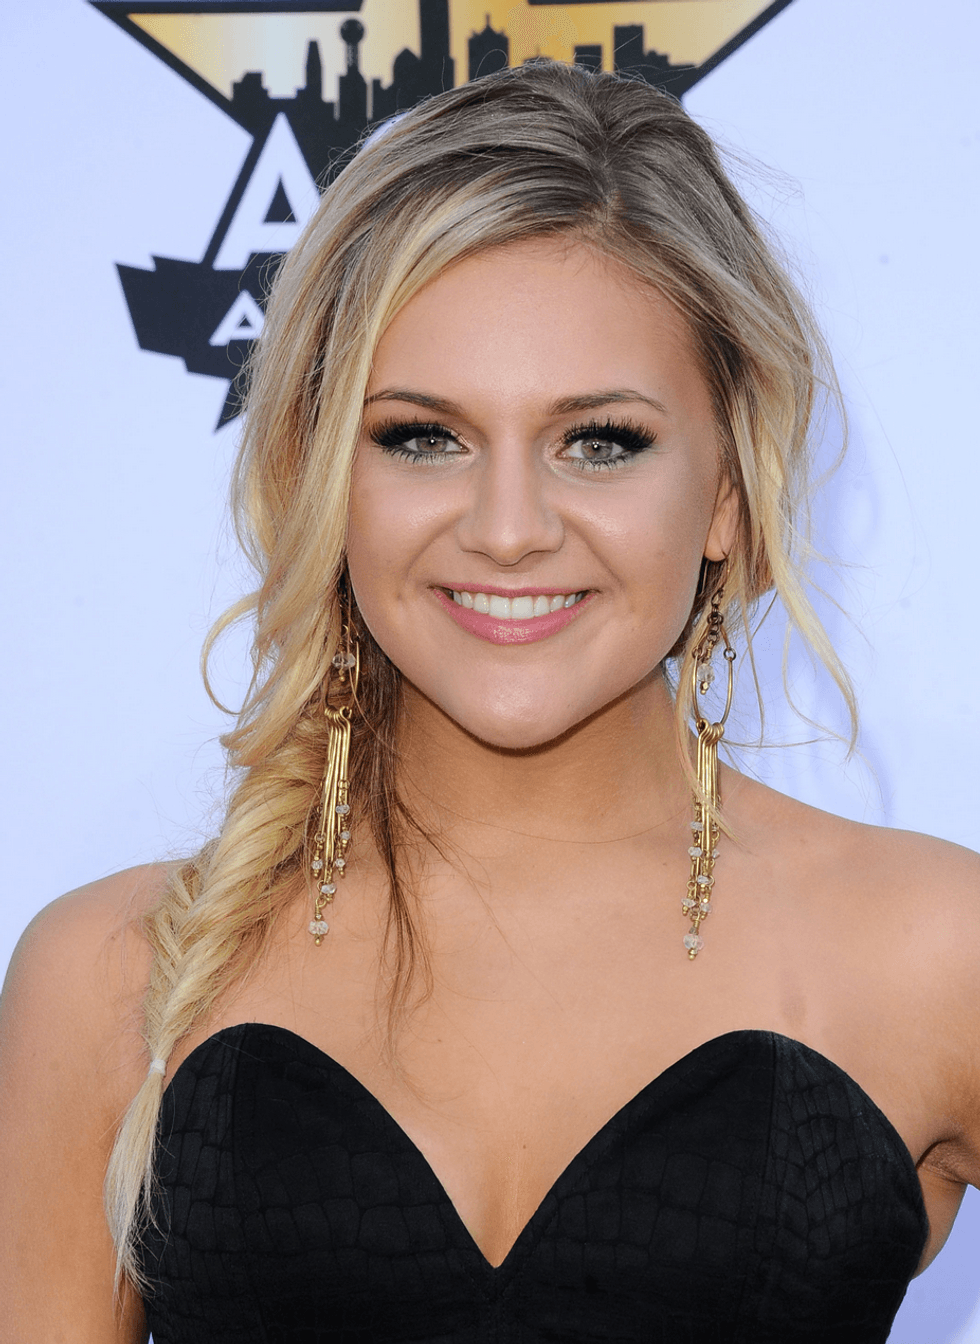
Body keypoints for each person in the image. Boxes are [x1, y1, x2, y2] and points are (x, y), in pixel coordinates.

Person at [1, 59, 977, 1344]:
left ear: (727, 494)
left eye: (599, 442)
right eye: (423, 437)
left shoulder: (933, 950)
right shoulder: (114, 977)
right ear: (320, 475)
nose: (508, 528)